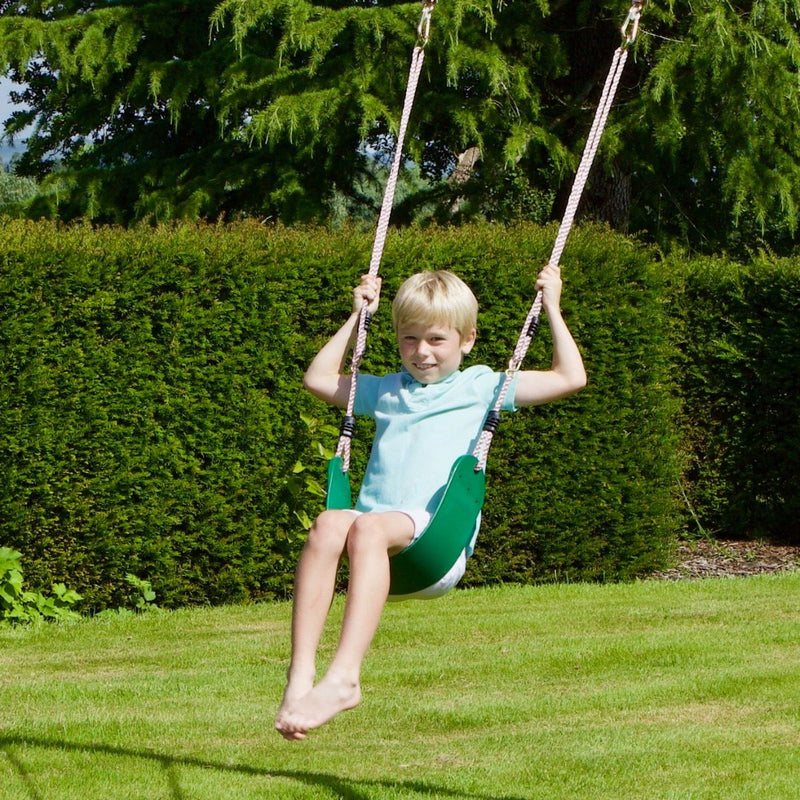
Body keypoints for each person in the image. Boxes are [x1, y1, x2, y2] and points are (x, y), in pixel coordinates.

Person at [275, 266, 586, 740]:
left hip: (433, 542)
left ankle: (344, 677)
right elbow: (318, 379)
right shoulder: (385, 390)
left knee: (366, 528)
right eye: (409, 338)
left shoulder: (482, 386)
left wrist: (554, 307)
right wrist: (358, 316)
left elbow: (571, 376)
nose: (421, 352)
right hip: (376, 538)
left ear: (467, 340)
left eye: (437, 339)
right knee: (326, 524)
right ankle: (300, 676)